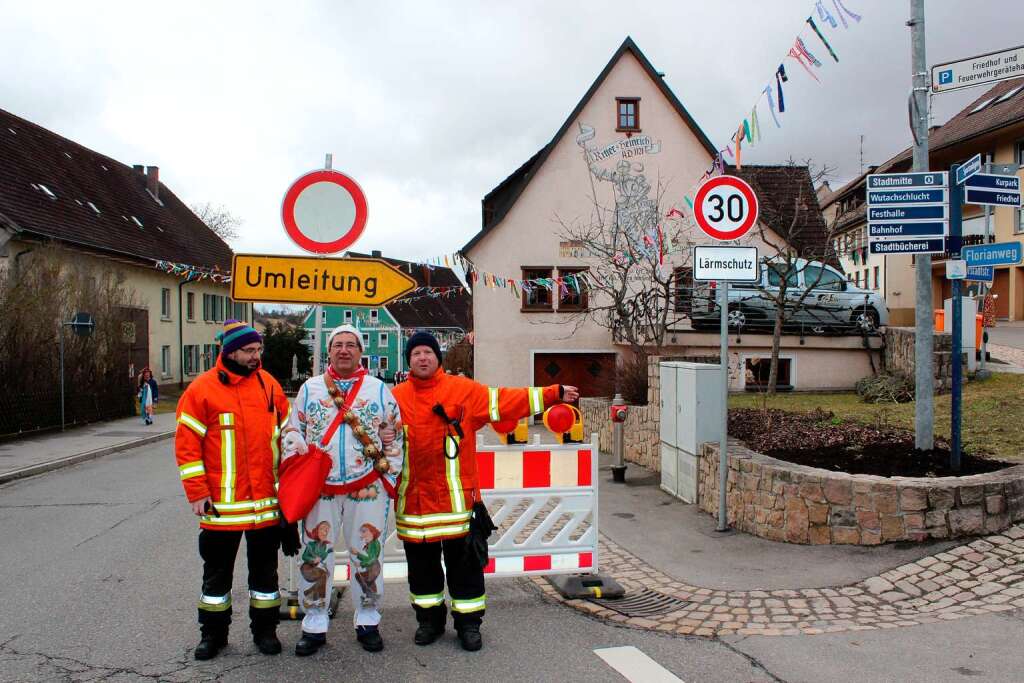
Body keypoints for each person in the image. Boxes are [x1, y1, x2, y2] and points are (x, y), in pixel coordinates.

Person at [391, 331, 579, 652]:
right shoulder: (394, 398)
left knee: (465, 571)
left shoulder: (463, 391)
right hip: (415, 507)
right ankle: (429, 621)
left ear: (438, 358)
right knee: (423, 576)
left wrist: (552, 393)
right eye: (416, 353)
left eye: (428, 352)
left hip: (458, 507)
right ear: (408, 360)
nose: (422, 358)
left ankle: (469, 625)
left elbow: (508, 400)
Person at [174, 320, 295, 661]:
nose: (256, 357)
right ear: (229, 352)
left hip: (266, 505)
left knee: (265, 576)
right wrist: (197, 492)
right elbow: (187, 447)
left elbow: (288, 437)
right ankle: (213, 635)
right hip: (220, 507)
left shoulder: (269, 386)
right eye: (248, 351)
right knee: (216, 579)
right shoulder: (201, 391)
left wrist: (290, 490)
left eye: (258, 350)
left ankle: (266, 631)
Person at [282, 324, 404, 656]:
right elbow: (293, 433)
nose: (344, 350)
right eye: (338, 345)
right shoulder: (310, 388)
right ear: (330, 351)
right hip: (319, 488)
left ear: (360, 351)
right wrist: (295, 476)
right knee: (315, 553)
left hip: (366, 487)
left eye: (351, 345)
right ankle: (314, 623)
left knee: (366, 553)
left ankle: (367, 618)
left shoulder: (379, 390)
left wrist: (387, 479)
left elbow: (395, 435)